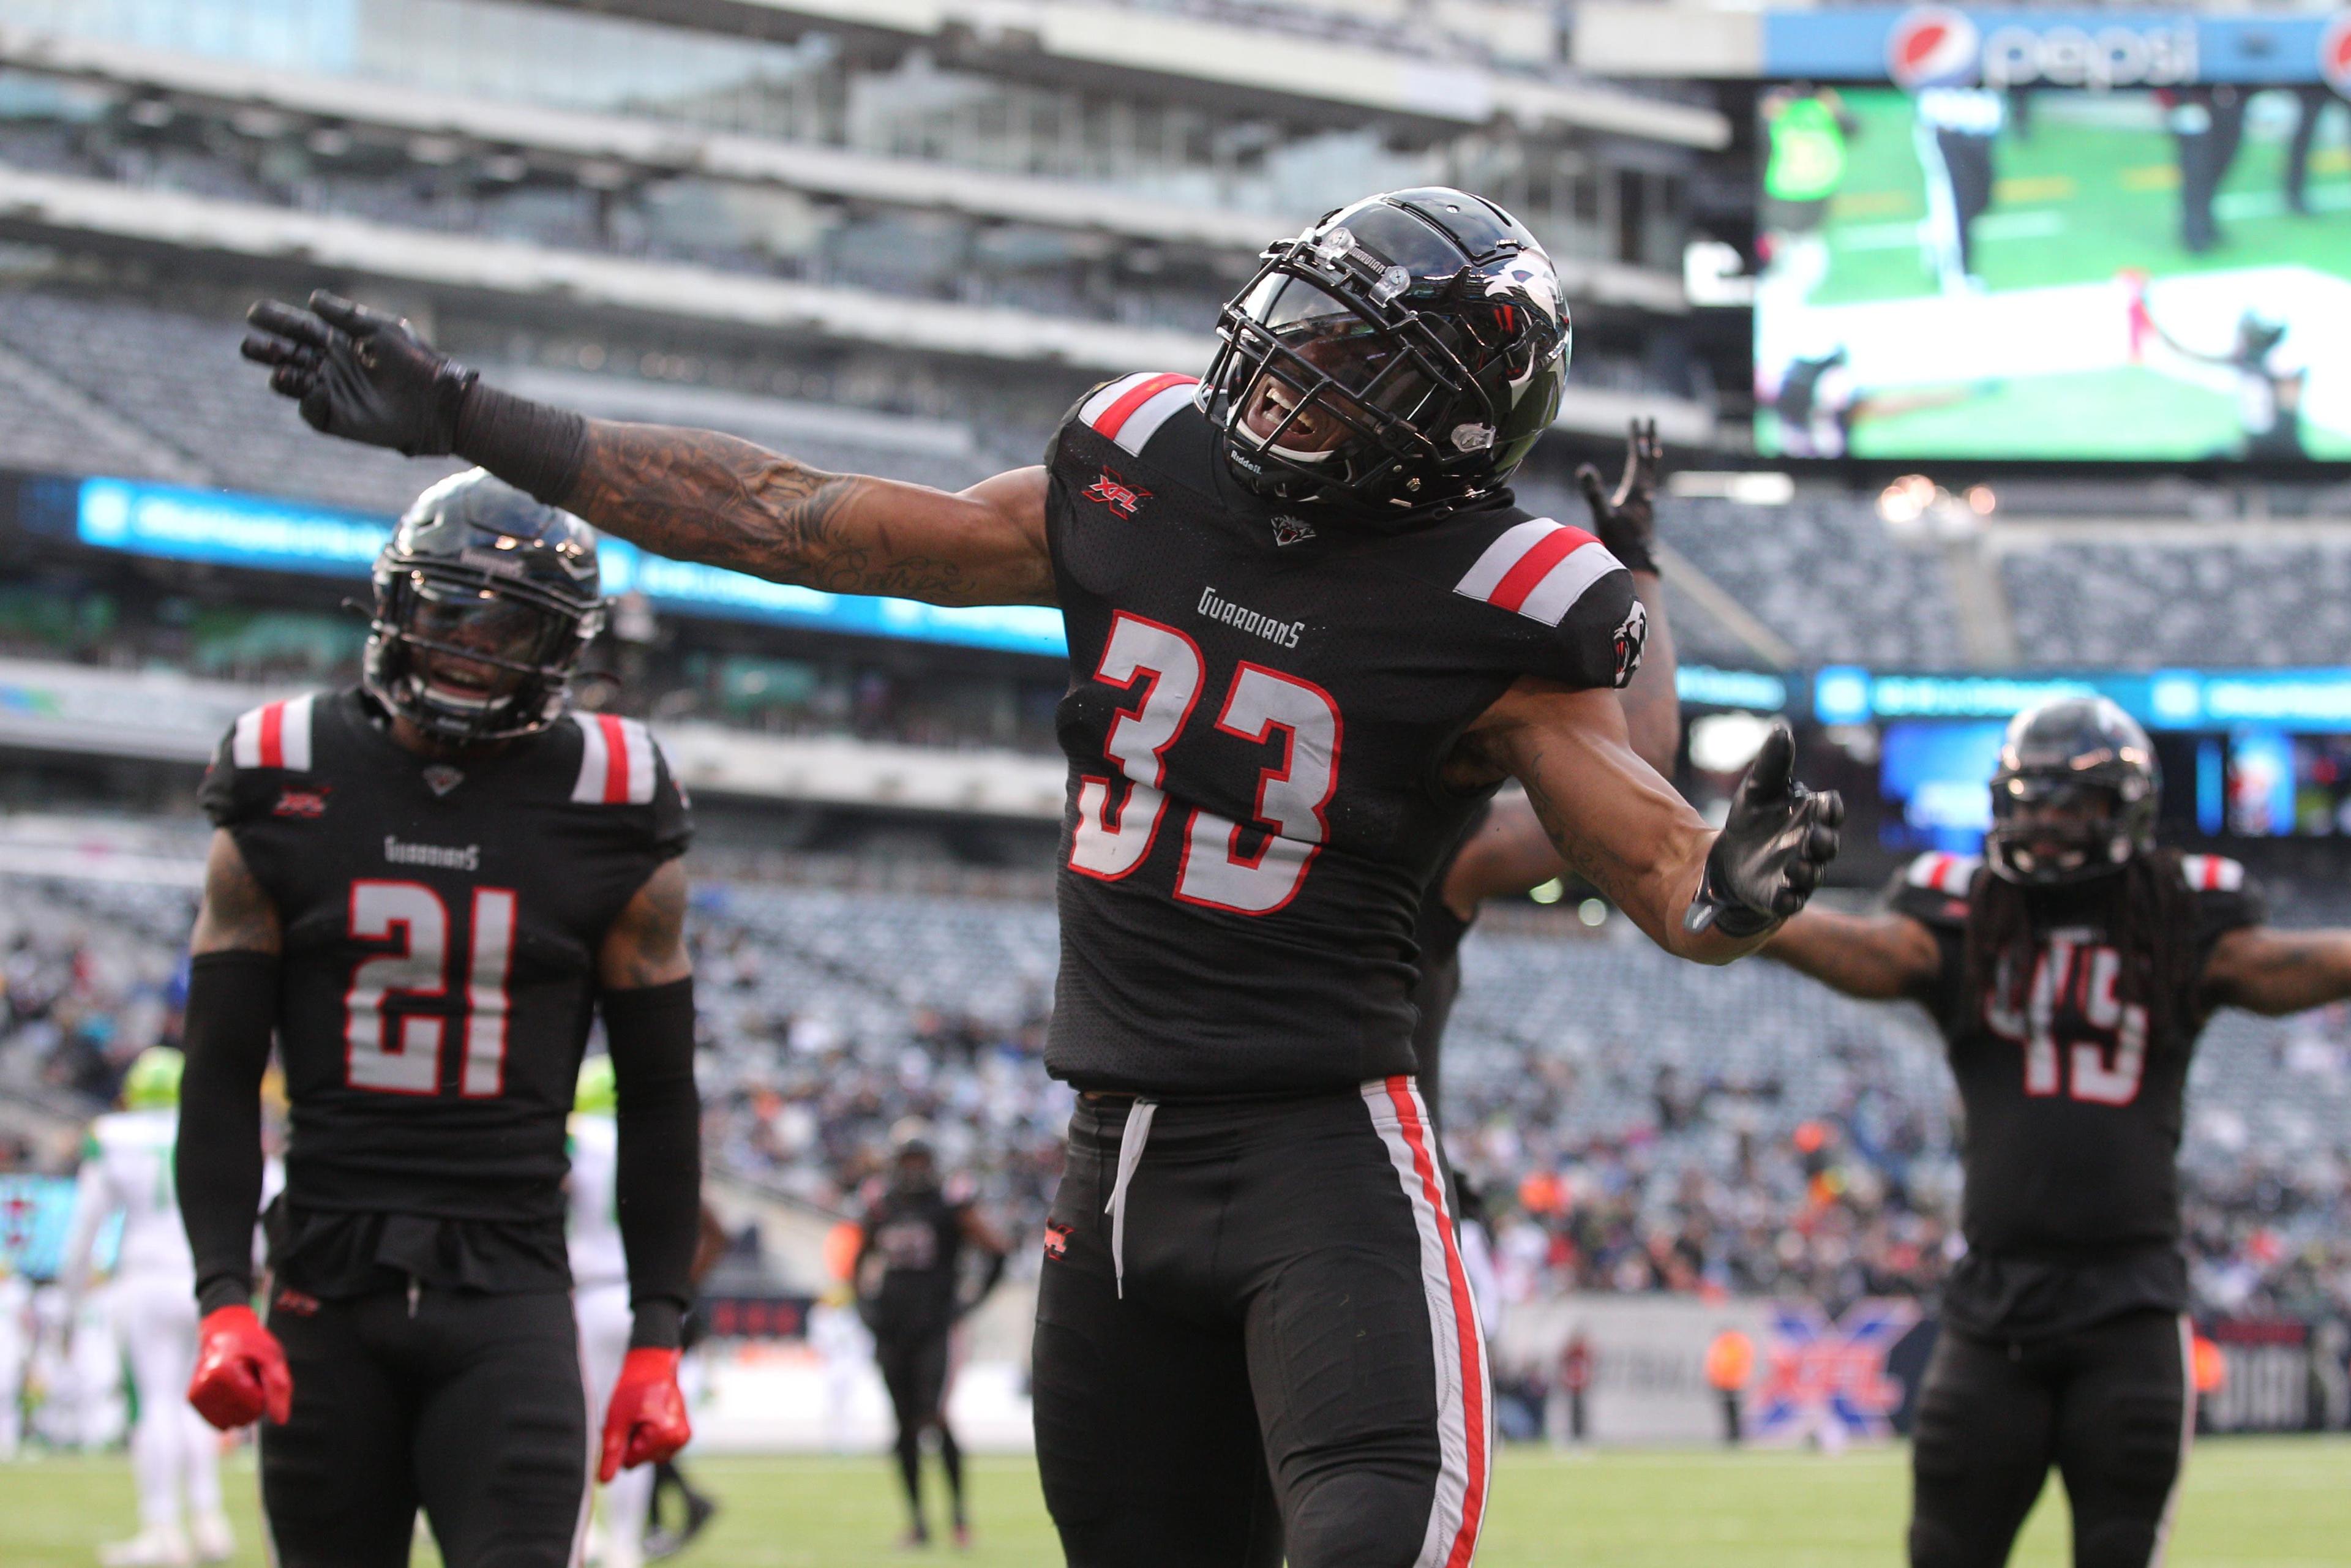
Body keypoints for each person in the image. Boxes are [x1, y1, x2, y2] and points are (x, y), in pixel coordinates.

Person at [239, 184, 1843, 1567]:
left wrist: (1735, 887)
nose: (1285, 375)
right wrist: (473, 415)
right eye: (1298, 324)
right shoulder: (1147, 464)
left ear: (1451, 424)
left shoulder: (1506, 596)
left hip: (1327, 1157)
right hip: (1115, 1154)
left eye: (1351, 361)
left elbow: (1652, 865)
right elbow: (801, 519)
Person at [170, 471, 704, 1568]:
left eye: (515, 623)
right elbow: (220, 1072)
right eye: (453, 609)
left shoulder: (611, 794)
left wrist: (659, 1330)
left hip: (509, 1288)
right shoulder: (285, 771)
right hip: (323, 1284)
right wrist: (224, 1294)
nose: (476, 644)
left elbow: (660, 1094)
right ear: (393, 606)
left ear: (566, 647)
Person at [1763, 696, 2351, 1568]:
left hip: (2132, 1309)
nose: (2044, 824)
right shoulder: (1962, 916)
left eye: (2069, 803)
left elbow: (2282, 965)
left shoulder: (2177, 917)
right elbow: (1877, 953)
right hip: (1994, 1307)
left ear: (2126, 809)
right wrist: (1757, 916)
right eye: (2029, 801)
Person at [1408, 420, 1676, 1136]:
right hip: (1356, 1178)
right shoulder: (1423, 832)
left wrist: (1637, 561)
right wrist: (1636, 563)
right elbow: (1639, 769)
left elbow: (1633, 776)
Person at [57, 1048, 234, 1567]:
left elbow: (86, 1228)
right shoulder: (213, 1128)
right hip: (204, 1275)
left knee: (155, 1402)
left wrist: (72, 1300)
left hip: (145, 1277)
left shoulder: (114, 1137)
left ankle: (163, 1527)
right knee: (197, 1401)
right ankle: (209, 1520)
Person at [855, 1120, 1010, 1548]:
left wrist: (969, 1304)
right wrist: (865, 1307)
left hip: (935, 1328)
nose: (914, 1168)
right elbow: (857, 1262)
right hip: (893, 1329)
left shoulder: (950, 1204)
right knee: (903, 1425)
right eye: (908, 1159)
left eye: (920, 1159)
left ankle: (959, 1519)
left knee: (935, 1416)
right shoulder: (882, 1203)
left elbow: (996, 1250)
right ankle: (918, 1522)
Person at [571, 1054, 658, 1568]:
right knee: (632, 1426)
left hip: (584, 1288)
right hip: (636, 1291)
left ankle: (584, 1534)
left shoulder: (577, 1137)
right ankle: (627, 1542)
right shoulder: (645, 1137)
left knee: (578, 1422)